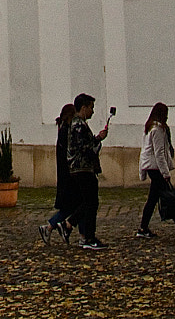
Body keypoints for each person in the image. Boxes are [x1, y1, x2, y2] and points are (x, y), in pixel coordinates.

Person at [64, 93, 108, 249]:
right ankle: (88, 237)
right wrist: (97, 143)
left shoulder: (78, 124)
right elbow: (84, 148)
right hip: (82, 167)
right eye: (91, 108)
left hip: (81, 167)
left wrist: (96, 139)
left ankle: (69, 224)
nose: (93, 111)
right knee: (91, 202)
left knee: (89, 201)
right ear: (83, 108)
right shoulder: (79, 125)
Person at [39, 102, 78, 245]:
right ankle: (54, 227)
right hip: (68, 175)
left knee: (70, 207)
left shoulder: (63, 129)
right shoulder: (66, 131)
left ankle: (51, 227)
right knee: (75, 206)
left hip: (65, 174)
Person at [136, 102, 175, 238]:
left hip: (151, 166)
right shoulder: (157, 130)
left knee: (153, 198)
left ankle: (143, 227)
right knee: (168, 196)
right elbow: (159, 153)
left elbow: (145, 151)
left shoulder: (150, 128)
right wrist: (165, 173)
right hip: (156, 167)